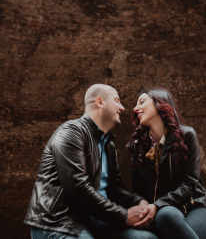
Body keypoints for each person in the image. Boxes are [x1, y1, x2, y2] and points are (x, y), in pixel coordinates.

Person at [25, 83, 159, 239]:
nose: (122, 108)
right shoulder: (70, 132)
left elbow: (115, 188)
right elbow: (78, 188)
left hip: (97, 218)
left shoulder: (108, 144)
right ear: (100, 102)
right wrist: (125, 216)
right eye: (117, 100)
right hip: (60, 221)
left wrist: (140, 202)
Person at [127, 88, 206, 239]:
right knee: (162, 217)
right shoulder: (138, 146)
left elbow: (190, 183)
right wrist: (143, 204)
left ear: (160, 104)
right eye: (136, 105)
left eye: (142, 102)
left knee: (166, 213)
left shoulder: (186, 135)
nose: (136, 108)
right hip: (159, 216)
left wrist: (158, 205)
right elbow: (138, 190)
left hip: (194, 207)